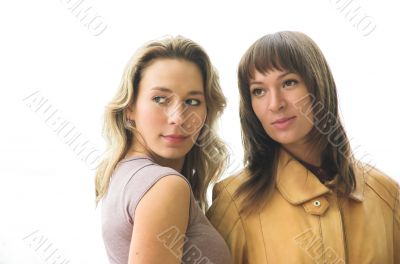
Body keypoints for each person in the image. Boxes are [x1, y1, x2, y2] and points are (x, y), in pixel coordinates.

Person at [207, 31, 400, 264]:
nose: (275, 104)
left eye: (289, 83)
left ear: (318, 86)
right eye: (259, 90)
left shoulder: (387, 194)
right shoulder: (235, 202)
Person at [95, 36, 232, 264]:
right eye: (160, 99)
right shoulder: (164, 185)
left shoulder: (122, 176)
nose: (178, 118)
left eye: (192, 102)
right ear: (130, 107)